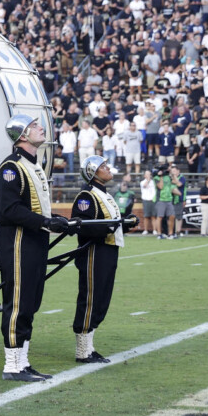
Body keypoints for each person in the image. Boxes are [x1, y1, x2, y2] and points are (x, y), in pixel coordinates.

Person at [0, 114, 72, 381]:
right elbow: (9, 210)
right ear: (23, 136)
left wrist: (55, 222)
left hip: (35, 239)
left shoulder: (33, 165)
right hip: (18, 240)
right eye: (35, 126)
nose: (42, 128)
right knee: (17, 303)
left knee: (30, 302)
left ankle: (23, 362)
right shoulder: (11, 167)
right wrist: (45, 222)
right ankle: (12, 366)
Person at [71, 155, 138, 363]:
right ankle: (82, 349)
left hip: (108, 249)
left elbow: (109, 222)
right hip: (94, 251)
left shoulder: (105, 194)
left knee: (101, 298)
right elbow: (84, 224)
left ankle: (89, 346)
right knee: (91, 297)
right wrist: (111, 225)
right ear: (93, 173)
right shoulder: (86, 196)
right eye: (103, 166)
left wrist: (125, 223)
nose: (108, 169)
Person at [154, 165, 175, 239]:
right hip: (161, 199)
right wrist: (161, 176)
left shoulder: (168, 177)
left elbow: (175, 181)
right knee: (160, 217)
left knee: (172, 216)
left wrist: (172, 173)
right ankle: (159, 234)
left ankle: (170, 233)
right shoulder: (156, 177)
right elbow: (160, 186)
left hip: (169, 199)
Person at [170, 165, 187, 237]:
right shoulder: (170, 178)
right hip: (171, 199)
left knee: (179, 216)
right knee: (171, 215)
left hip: (179, 199)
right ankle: (172, 231)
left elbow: (179, 184)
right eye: (172, 171)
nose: (173, 173)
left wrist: (174, 179)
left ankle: (178, 231)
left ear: (178, 171)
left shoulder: (182, 178)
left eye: (174, 171)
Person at [140, 170, 156, 235]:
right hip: (146, 200)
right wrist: (148, 180)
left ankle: (154, 230)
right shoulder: (142, 182)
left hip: (153, 200)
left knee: (153, 216)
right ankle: (145, 230)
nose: (148, 175)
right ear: (144, 175)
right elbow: (144, 185)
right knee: (146, 216)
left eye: (149, 174)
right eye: (147, 174)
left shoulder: (153, 182)